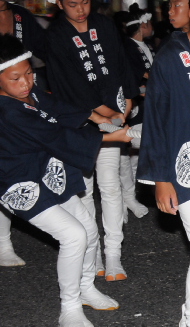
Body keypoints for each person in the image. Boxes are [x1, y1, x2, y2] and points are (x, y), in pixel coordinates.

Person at [0, 34, 130, 327]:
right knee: (73, 235)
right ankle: (68, 308)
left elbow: (56, 106)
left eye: (29, 73)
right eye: (15, 78)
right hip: (18, 182)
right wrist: (110, 137)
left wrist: (96, 117)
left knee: (88, 230)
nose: (25, 83)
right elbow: (56, 135)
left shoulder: (29, 94)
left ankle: (86, 288)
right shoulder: (6, 111)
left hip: (45, 173)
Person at [46, 0, 139, 281]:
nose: (81, 10)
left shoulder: (103, 24)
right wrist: (102, 113)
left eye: (85, 2)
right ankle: (93, 252)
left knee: (110, 186)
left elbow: (121, 63)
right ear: (60, 4)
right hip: (80, 121)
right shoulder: (56, 35)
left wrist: (127, 101)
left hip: (114, 113)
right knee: (84, 190)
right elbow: (67, 84)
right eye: (73, 5)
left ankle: (113, 254)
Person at [0, 0, 48, 267]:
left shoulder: (20, 17)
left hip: (21, 104)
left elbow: (46, 51)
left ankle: (4, 242)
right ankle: (3, 243)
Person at [118, 4, 154, 220]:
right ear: (142, 25)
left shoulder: (145, 45)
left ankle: (130, 197)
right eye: (149, 23)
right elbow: (134, 78)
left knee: (135, 155)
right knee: (128, 151)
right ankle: (125, 198)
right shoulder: (128, 47)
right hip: (133, 107)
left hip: (149, 105)